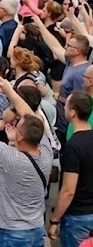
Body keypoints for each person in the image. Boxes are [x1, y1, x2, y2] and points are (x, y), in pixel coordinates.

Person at [0, 76, 52, 246]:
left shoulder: (10, 157)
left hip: (10, 233)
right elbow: (30, 115)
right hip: (36, 229)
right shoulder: (46, 150)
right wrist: (10, 91)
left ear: (21, 137)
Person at [49, 91, 93, 247]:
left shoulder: (73, 146)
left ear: (72, 112)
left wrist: (55, 219)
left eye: (66, 105)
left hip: (77, 216)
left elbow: (68, 190)